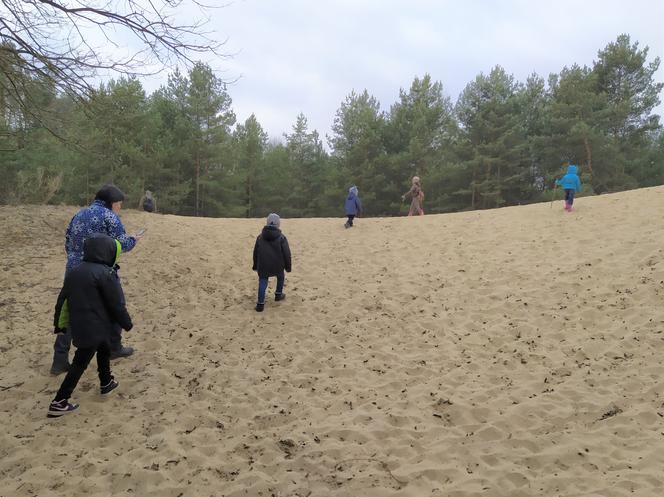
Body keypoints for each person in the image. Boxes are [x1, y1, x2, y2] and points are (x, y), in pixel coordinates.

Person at [50, 184, 141, 375]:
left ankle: (59, 360)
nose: (120, 207)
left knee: (70, 312)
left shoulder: (79, 214)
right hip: (100, 272)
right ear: (112, 202)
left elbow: (67, 241)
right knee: (114, 305)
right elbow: (121, 244)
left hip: (74, 270)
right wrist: (133, 239)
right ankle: (115, 347)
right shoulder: (109, 216)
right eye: (119, 204)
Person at [47, 234, 133, 417]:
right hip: (94, 326)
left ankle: (106, 382)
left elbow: (62, 301)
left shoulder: (75, 271)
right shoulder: (105, 274)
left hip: (84, 325)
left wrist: (60, 324)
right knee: (80, 362)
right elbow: (116, 303)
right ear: (106, 252)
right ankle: (59, 401)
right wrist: (127, 323)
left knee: (104, 348)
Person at [252, 213, 292, 312]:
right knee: (281, 276)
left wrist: (255, 265)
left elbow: (255, 252)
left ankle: (260, 304)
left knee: (263, 281)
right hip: (277, 265)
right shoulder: (281, 237)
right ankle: (278, 294)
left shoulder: (260, 237)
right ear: (278, 224)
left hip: (263, 265)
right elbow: (287, 253)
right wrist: (288, 267)